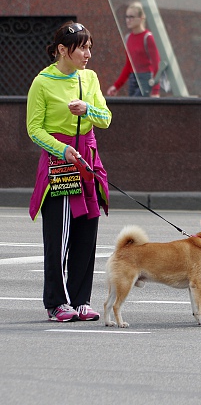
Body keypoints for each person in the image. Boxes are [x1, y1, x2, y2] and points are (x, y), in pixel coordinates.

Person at [27, 21, 112, 322]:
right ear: (62, 50)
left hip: (87, 158)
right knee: (59, 235)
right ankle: (56, 302)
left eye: (90, 47)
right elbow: (34, 129)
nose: (88, 53)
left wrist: (87, 110)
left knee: (87, 230)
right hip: (60, 161)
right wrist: (61, 150)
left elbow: (106, 118)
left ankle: (81, 300)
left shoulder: (89, 78)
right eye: (82, 47)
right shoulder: (42, 82)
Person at [107, 2, 161, 97]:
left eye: (131, 17)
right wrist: (116, 86)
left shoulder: (148, 37)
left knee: (139, 108)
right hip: (133, 79)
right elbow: (129, 65)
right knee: (132, 108)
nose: (128, 20)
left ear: (141, 18)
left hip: (146, 79)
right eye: (127, 17)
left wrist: (155, 91)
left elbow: (156, 65)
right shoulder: (129, 38)